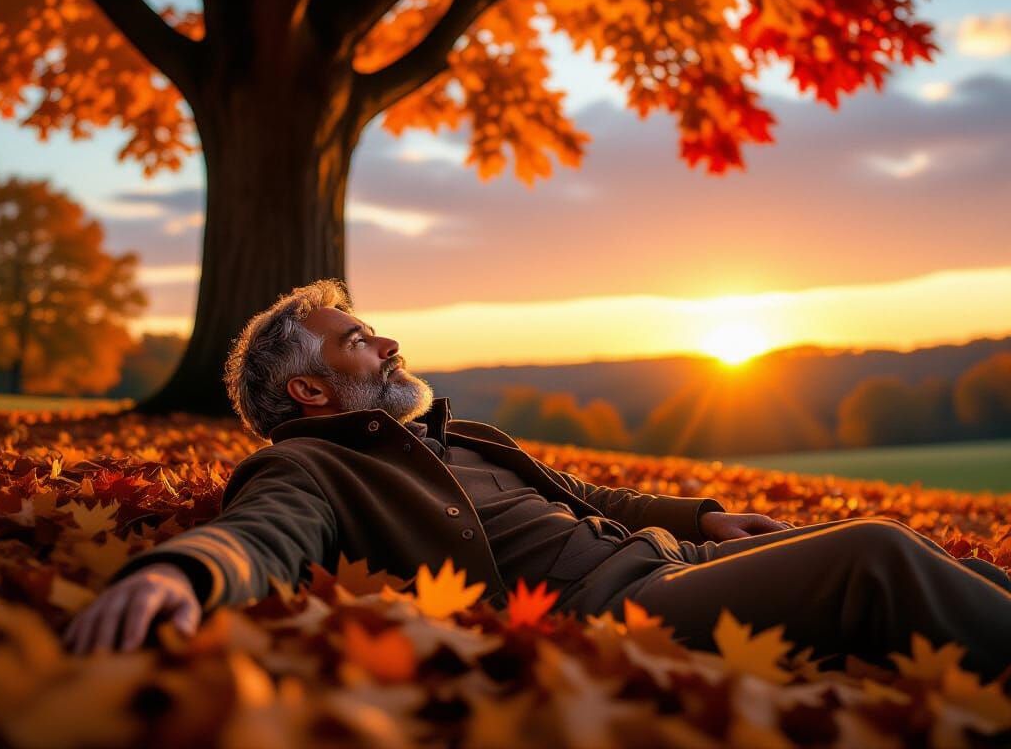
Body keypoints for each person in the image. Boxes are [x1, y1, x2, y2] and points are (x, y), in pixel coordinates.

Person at [63, 279, 1011, 682]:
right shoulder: (314, 464)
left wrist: (707, 514)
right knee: (873, 554)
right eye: (358, 340)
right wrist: (180, 574)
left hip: (669, 562)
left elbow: (594, 499)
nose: (388, 340)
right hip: (618, 613)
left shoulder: (459, 435)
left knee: (904, 539)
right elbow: (261, 533)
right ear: (309, 388)